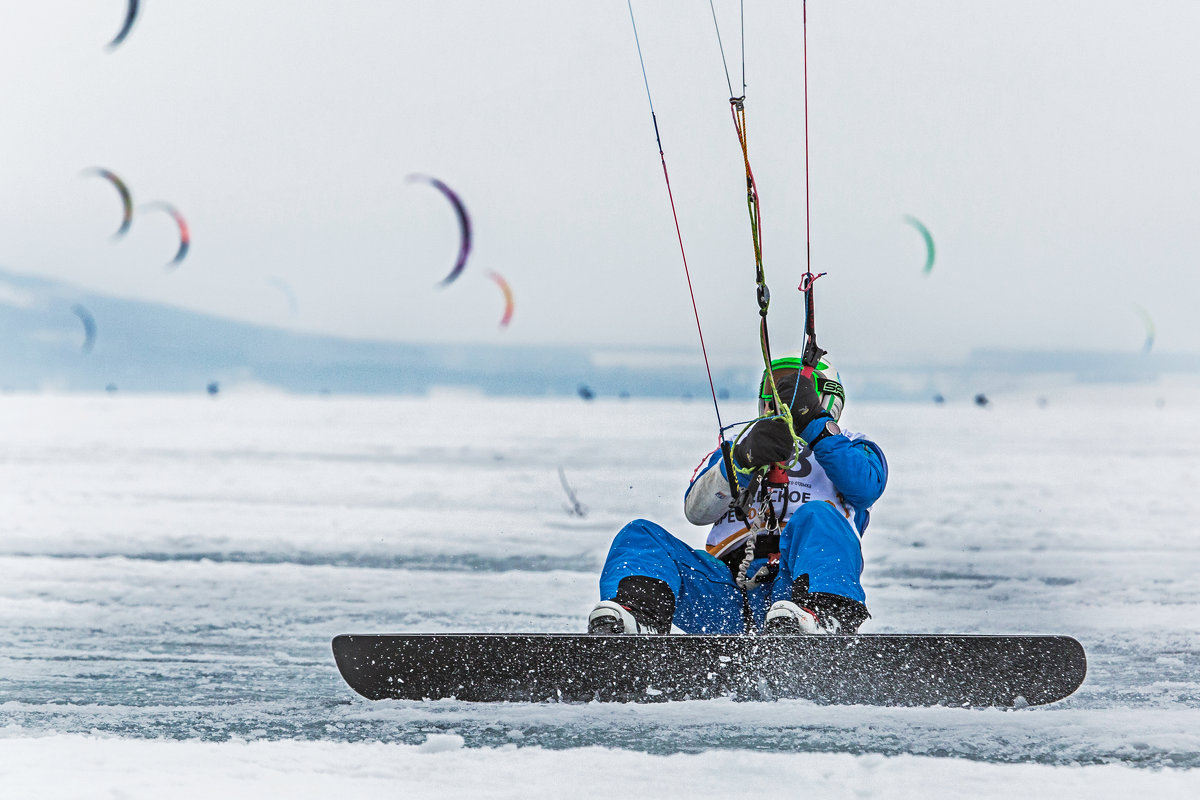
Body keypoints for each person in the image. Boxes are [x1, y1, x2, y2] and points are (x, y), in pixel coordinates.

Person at [587, 353, 887, 635]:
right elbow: (696, 511)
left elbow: (864, 488)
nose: (780, 404)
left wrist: (817, 428)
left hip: (797, 589)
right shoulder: (737, 445)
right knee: (640, 535)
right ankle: (638, 619)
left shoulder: (852, 446)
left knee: (817, 514)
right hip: (726, 591)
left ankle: (826, 618)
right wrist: (742, 460)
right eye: (774, 397)